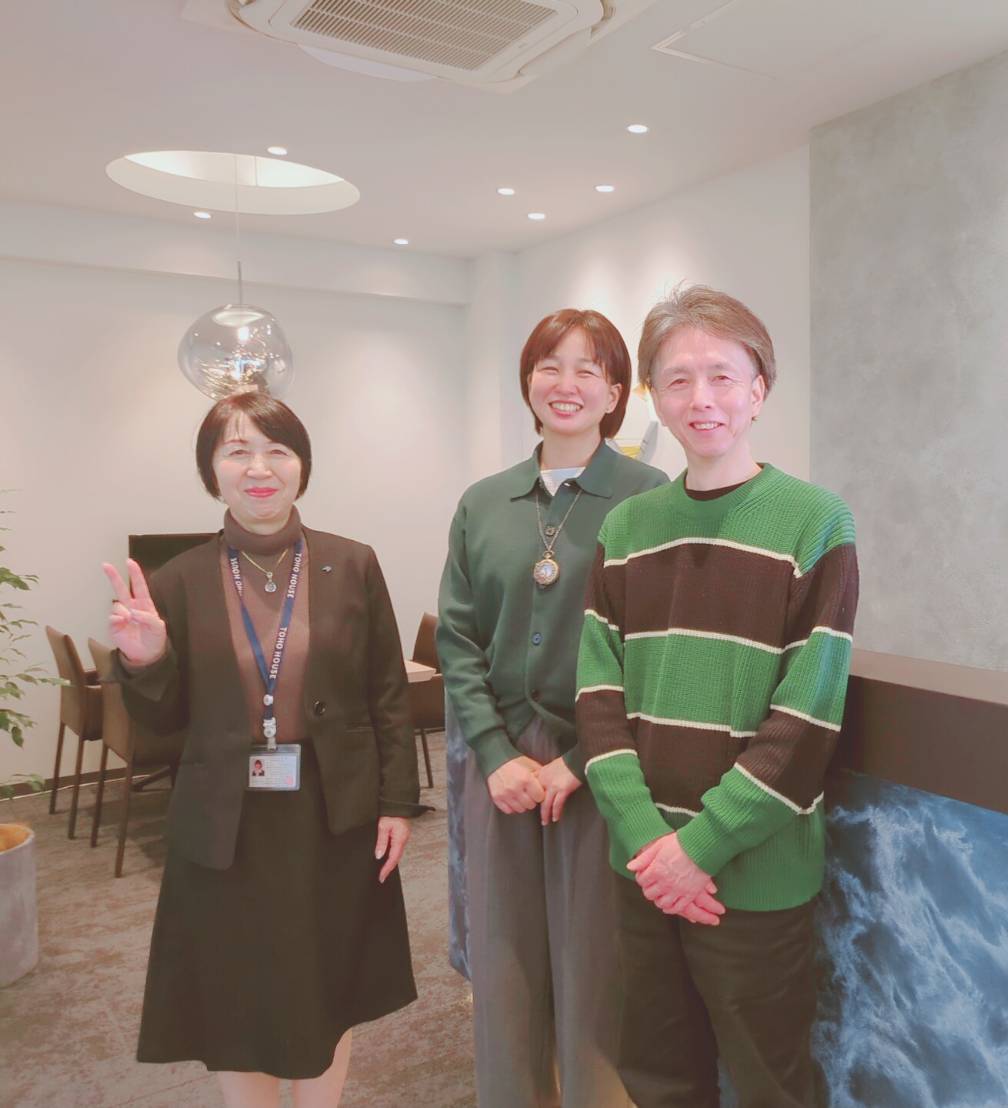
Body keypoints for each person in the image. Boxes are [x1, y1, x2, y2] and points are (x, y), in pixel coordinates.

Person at [576, 286, 860, 1107]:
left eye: (722, 377)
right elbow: (596, 695)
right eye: (677, 380)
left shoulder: (815, 521)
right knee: (658, 1079)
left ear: (758, 390)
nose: (700, 398)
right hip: (642, 868)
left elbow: (806, 718)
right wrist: (649, 843)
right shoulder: (626, 528)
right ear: (654, 399)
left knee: (772, 1084)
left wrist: (697, 850)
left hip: (755, 873)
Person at [103, 390, 421, 1108]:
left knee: (328, 985)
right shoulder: (177, 579)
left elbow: (388, 694)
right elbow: (159, 724)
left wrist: (398, 802)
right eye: (237, 451)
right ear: (210, 469)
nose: (259, 468)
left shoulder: (353, 563)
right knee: (234, 992)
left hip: (333, 816)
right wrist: (146, 660)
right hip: (225, 824)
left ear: (302, 465)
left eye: (277, 450)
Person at [438, 308, 667, 1107]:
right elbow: (457, 639)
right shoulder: (483, 502)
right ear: (527, 382)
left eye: (588, 369)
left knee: (596, 964)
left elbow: (655, 648)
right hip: (499, 762)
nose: (566, 384)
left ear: (616, 392)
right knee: (503, 959)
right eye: (549, 366)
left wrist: (579, 760)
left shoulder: (648, 498)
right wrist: (495, 755)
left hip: (605, 759)